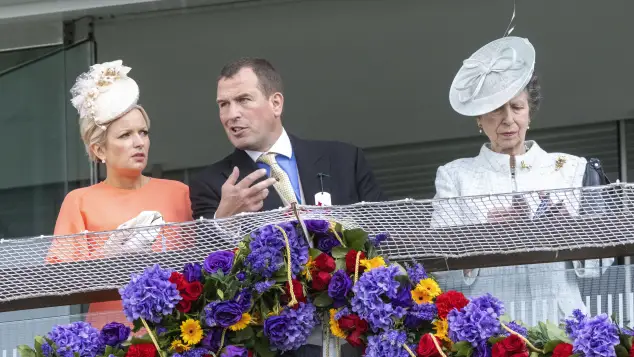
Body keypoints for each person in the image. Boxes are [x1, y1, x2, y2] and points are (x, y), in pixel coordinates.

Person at [189, 57, 386, 356]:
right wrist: (223, 220)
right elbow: (204, 279)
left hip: (355, 333)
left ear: (276, 103)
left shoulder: (344, 159)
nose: (232, 114)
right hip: (275, 340)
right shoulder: (212, 184)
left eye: (243, 100)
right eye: (223, 104)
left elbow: (385, 235)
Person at [431, 36, 613, 322]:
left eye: (517, 108)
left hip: (562, 325)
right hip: (489, 329)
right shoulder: (454, 176)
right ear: (479, 119)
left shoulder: (572, 168)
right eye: (495, 110)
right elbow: (438, 268)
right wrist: (485, 237)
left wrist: (571, 236)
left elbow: (604, 261)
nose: (508, 119)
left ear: (530, 113)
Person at [47, 60, 193, 328]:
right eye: (125, 135)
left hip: (179, 334)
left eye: (143, 132)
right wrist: (108, 257)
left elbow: (199, 269)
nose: (139, 142)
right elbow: (59, 281)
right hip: (112, 337)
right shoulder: (80, 202)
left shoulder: (179, 194)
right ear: (99, 150)